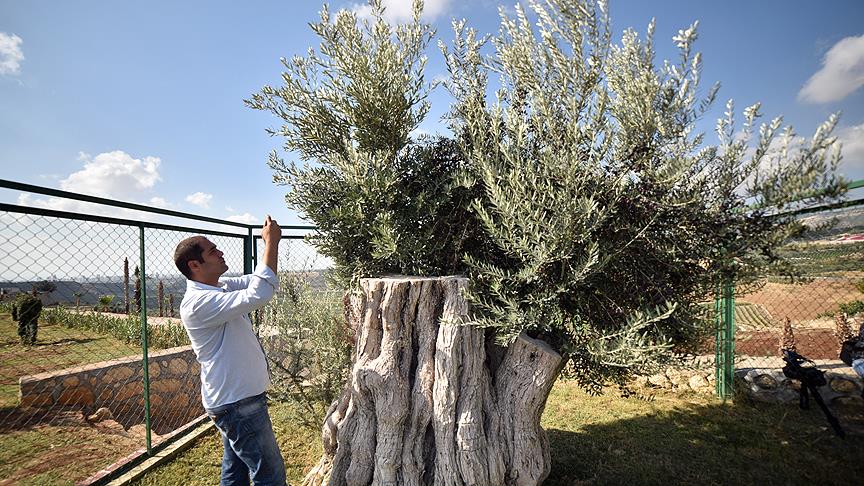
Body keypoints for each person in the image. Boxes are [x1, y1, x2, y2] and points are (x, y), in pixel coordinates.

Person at [174, 215, 285, 486]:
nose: (220, 251)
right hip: (237, 403)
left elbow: (258, 281)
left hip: (235, 400)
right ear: (195, 265)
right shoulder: (199, 303)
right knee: (269, 474)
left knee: (235, 470)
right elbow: (259, 294)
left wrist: (268, 252)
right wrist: (271, 242)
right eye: (212, 250)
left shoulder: (218, 287)